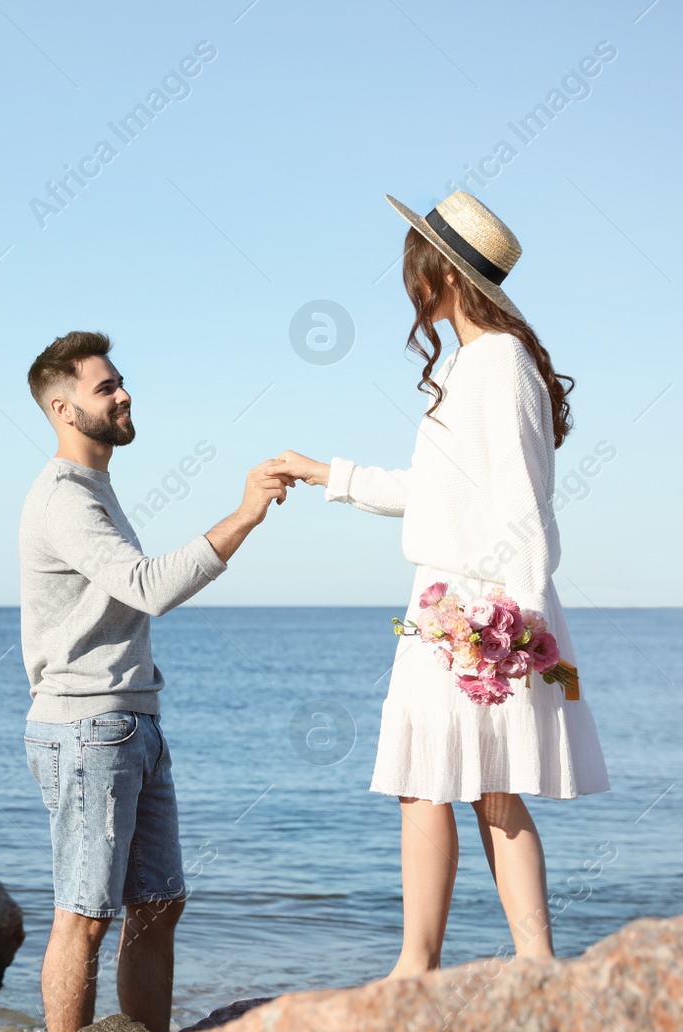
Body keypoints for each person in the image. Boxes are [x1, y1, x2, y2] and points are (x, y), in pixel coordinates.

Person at [265, 190, 610, 978]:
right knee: (469, 787)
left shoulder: (498, 363)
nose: (404, 275)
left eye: (414, 260)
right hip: (452, 601)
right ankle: (518, 962)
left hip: (479, 604)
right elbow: (435, 491)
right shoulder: (470, 361)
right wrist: (329, 473)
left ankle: (439, 965)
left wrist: (515, 624)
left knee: (453, 786)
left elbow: (524, 502)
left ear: (440, 274)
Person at [18, 330, 290, 1032]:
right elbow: (147, 587)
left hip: (131, 720)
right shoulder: (64, 498)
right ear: (61, 407)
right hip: (87, 727)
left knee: (160, 904)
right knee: (84, 913)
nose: (123, 393)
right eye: (103, 387)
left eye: (120, 381)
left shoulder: (95, 489)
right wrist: (247, 514)